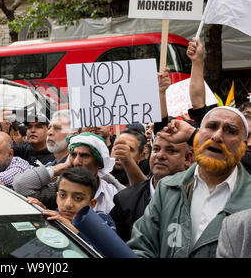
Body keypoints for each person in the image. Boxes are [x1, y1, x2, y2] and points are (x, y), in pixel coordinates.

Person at [128, 106, 251, 258]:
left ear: (243, 145)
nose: (218, 136)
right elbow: (141, 246)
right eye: (211, 127)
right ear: (198, 135)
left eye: (230, 131)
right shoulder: (167, 188)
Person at [109, 134, 194, 242]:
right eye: (156, 149)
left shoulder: (197, 199)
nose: (160, 155)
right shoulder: (124, 200)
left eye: (171, 151)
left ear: (188, 158)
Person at [14, 132, 123, 213]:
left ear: (99, 163)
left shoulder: (113, 194)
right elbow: (21, 185)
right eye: (73, 155)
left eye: (85, 156)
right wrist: (60, 167)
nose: (76, 162)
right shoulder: (60, 186)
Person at [28, 167, 116, 234]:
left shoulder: (102, 220)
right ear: (57, 197)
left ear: (92, 203)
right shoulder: (55, 217)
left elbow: (109, 250)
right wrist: (42, 214)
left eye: (78, 198)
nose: (68, 204)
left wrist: (72, 229)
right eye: (62, 195)